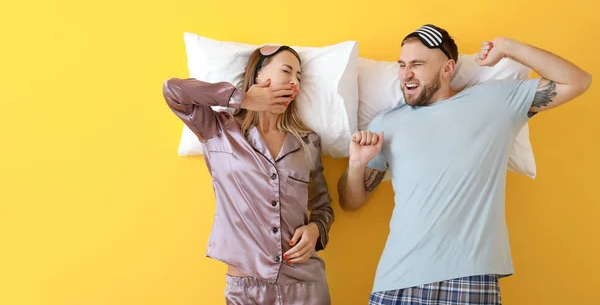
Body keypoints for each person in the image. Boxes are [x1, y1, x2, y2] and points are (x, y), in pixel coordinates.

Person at [338, 24, 592, 305]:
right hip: (397, 280)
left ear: (447, 69)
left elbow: (577, 81)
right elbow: (351, 202)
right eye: (402, 65)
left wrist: (509, 47)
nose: (405, 74)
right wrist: (357, 165)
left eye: (417, 64)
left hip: (470, 279)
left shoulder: (495, 101)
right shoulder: (386, 123)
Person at [163, 45, 334, 305]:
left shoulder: (307, 143)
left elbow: (322, 206)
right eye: (286, 71)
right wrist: (240, 99)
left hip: (307, 286)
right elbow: (173, 90)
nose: (293, 82)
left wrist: (315, 229)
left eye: (299, 77)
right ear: (257, 76)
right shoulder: (219, 130)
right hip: (246, 290)